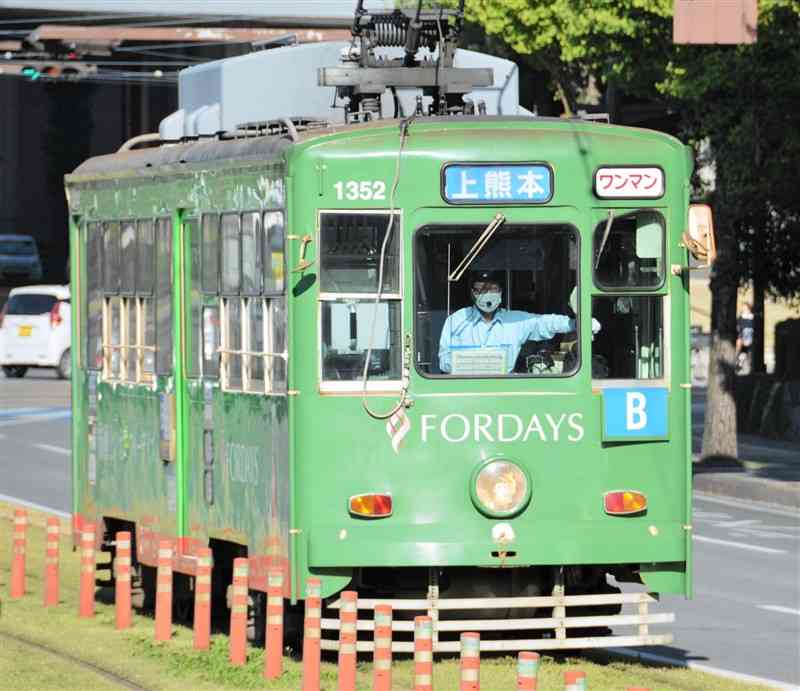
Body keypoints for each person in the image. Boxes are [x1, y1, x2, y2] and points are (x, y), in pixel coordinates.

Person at [438, 271, 599, 374]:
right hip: (464, 392)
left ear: (500, 292)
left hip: (506, 392)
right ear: (472, 293)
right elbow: (443, 361)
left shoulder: (515, 320)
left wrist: (576, 324)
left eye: (492, 288)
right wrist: (476, 362)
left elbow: (544, 323)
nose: (486, 293)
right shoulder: (457, 320)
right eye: (480, 289)